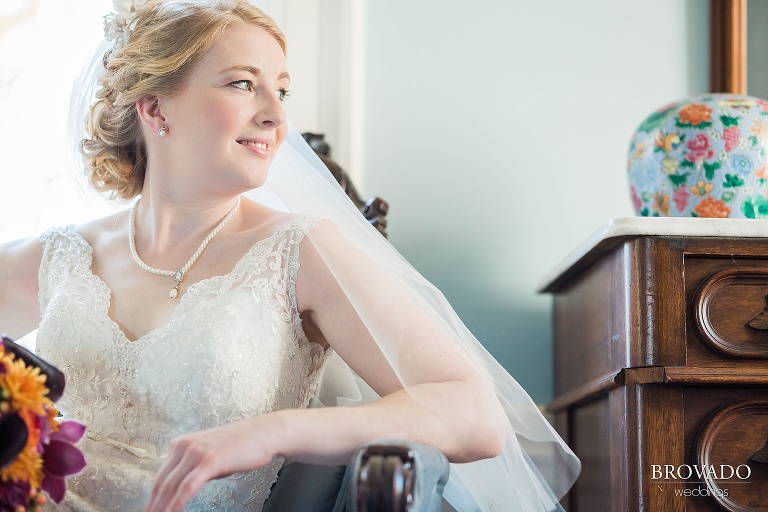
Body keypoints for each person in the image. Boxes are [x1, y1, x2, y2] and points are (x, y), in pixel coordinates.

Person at [0, 1, 580, 510]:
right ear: (154, 107)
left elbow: (474, 413)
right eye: (241, 83)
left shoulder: (301, 251)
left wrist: (273, 433)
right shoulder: (59, 256)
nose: (276, 116)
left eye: (281, 89)